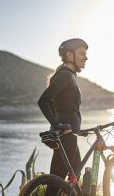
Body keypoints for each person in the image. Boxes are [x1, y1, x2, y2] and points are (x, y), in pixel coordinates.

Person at [38, 38, 88, 195]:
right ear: (69, 55)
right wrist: (57, 124)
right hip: (66, 134)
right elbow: (43, 101)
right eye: (81, 53)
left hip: (70, 133)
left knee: (74, 176)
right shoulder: (65, 75)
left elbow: (62, 107)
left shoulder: (69, 76)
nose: (86, 57)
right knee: (55, 183)